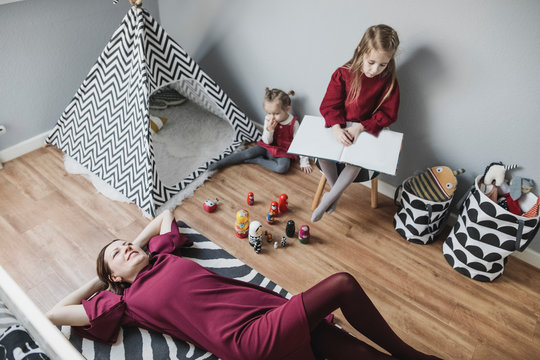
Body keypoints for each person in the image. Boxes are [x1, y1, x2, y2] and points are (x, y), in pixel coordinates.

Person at [47, 210, 441, 360]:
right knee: (341, 284)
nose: (127, 249)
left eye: (127, 245)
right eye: (117, 254)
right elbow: (55, 313)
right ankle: (415, 355)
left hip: (271, 313)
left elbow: (167, 216)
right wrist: (102, 281)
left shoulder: (165, 255)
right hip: (247, 339)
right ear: (114, 278)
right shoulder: (124, 303)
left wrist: (133, 249)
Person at [312, 24, 400, 222]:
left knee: (358, 160)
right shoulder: (343, 73)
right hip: (340, 125)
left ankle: (331, 197)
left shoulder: (387, 81)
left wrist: (360, 127)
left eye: (382, 65)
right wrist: (336, 128)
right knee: (323, 153)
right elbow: (330, 104)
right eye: (371, 62)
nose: (374, 70)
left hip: (367, 127)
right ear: (360, 50)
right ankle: (335, 191)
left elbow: (389, 113)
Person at [208, 88, 312, 174]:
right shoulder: (268, 119)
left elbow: (300, 143)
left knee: (282, 168)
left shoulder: (293, 123)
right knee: (247, 154)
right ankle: (220, 163)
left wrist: (304, 162)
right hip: (267, 147)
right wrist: (269, 130)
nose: (272, 117)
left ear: (287, 109)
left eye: (276, 113)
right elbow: (266, 142)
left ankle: (258, 160)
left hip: (282, 152)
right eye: (269, 113)